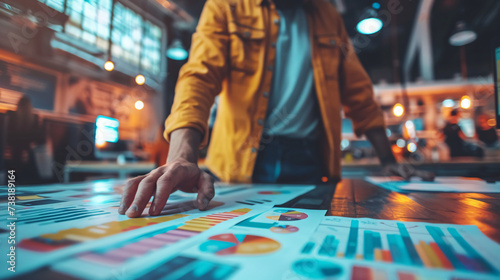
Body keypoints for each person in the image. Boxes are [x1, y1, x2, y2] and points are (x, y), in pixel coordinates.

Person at [119, 0, 434, 218]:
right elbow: (199, 77)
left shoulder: (327, 15)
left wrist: (387, 160)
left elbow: (357, 90)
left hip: (312, 160)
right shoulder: (226, 7)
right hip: (242, 160)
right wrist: (182, 157)